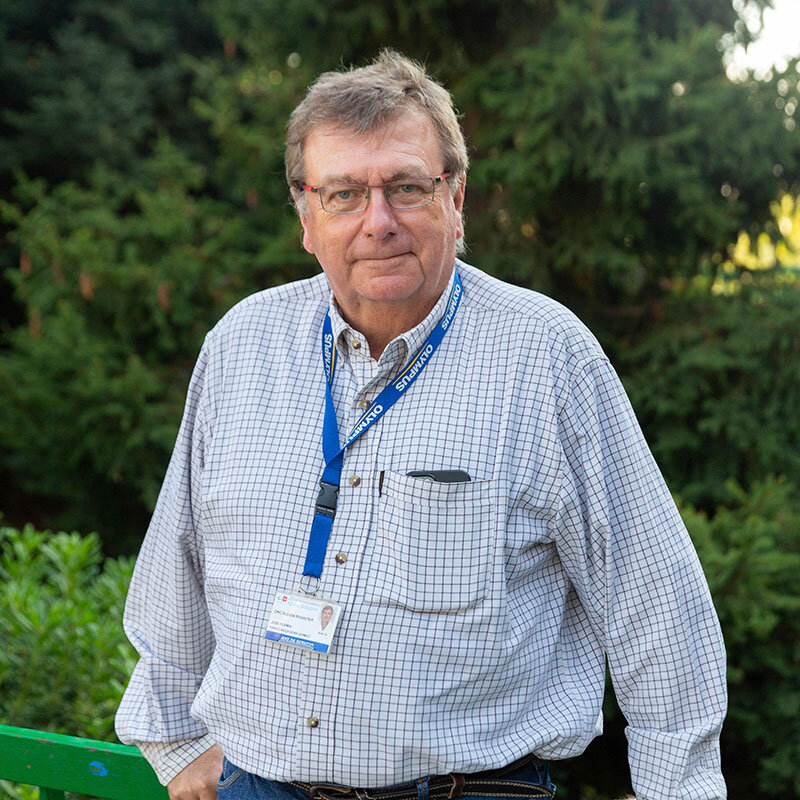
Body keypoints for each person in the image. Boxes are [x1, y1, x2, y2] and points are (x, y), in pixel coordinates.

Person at [115, 50, 727, 800]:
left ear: (455, 196)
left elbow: (653, 600)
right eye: (343, 194)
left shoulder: (546, 355)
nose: (379, 222)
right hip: (257, 785)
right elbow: (180, 560)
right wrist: (177, 742)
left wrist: (679, 789)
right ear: (306, 215)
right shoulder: (241, 347)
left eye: (406, 187)